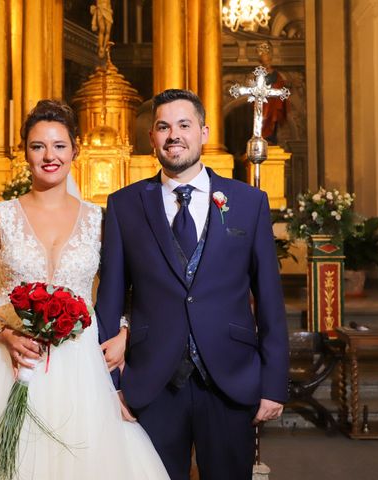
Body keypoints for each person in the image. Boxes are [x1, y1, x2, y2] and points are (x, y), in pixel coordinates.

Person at [0, 100, 169, 480]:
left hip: (79, 360)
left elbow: (127, 287)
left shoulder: (99, 219)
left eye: (59, 146)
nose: (49, 156)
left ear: (75, 150)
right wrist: (4, 334)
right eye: (38, 146)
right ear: (25, 151)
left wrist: (125, 330)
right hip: (5, 358)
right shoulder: (1, 215)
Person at [96, 89, 289, 480]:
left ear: (203, 132)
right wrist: (112, 385)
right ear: (151, 138)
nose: (174, 135)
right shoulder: (124, 205)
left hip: (230, 379)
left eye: (184, 125)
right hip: (152, 382)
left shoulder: (248, 202)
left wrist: (274, 383)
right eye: (163, 127)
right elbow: (109, 302)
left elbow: (269, 300)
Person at [257, 42, 288, 144]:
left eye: (268, 61)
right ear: (261, 63)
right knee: (263, 119)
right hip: (264, 102)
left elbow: (280, 85)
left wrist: (278, 87)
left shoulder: (276, 74)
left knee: (272, 119)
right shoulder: (260, 74)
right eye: (264, 62)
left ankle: (271, 137)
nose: (267, 63)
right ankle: (264, 137)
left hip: (274, 102)